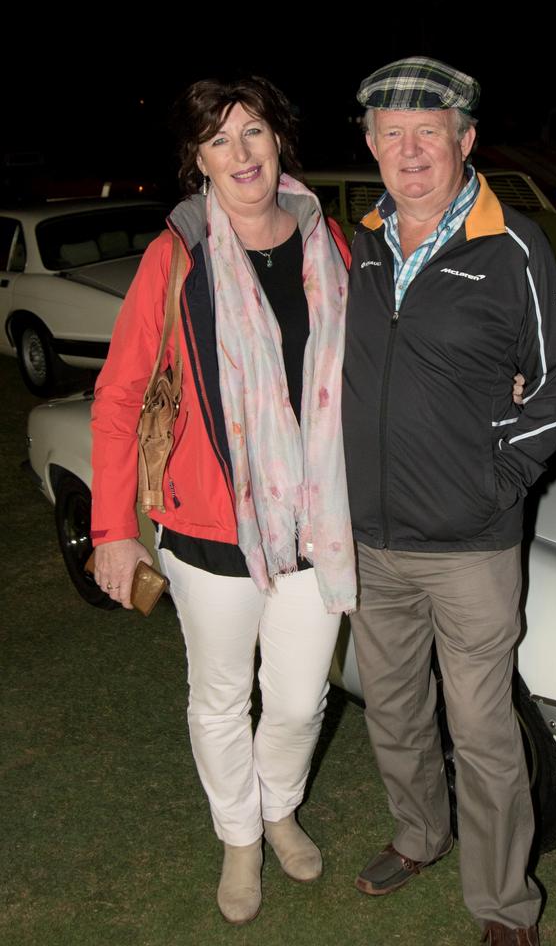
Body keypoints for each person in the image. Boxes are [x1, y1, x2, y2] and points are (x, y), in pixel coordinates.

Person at [90, 76, 357, 925]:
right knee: (219, 694)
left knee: (299, 697)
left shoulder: (329, 242)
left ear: (280, 141)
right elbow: (120, 396)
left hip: (316, 522)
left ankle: (279, 807)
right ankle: (241, 834)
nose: (241, 154)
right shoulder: (179, 254)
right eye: (220, 140)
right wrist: (113, 531)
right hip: (207, 525)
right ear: (197, 159)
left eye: (254, 134)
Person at [341, 57, 556, 946]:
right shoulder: (357, 243)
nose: (411, 154)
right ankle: (417, 836)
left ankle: (503, 904)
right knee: (395, 708)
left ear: (465, 141)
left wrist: (499, 478)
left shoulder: (512, 244)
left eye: (429, 136)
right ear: (370, 146)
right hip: (370, 538)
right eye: (393, 136)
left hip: (473, 545)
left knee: (482, 732)